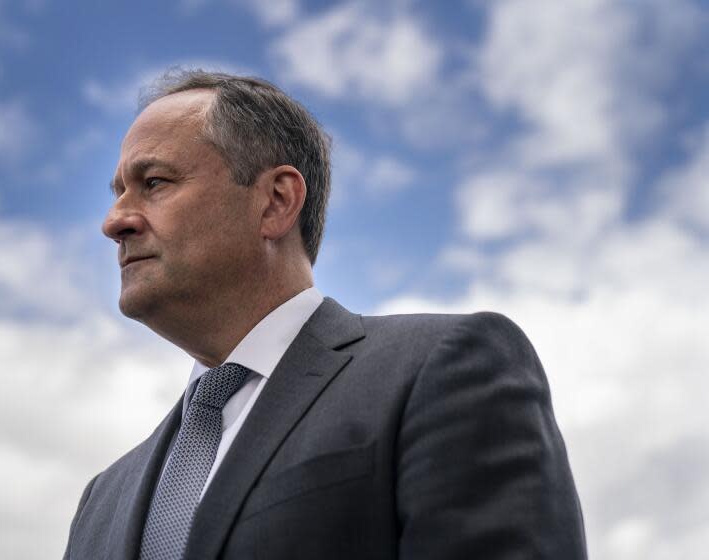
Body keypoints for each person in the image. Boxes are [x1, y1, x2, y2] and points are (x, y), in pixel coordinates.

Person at [63, 70, 586, 560]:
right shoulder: (102, 502)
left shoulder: (442, 369)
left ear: (275, 202)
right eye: (118, 193)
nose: (115, 221)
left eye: (154, 182)